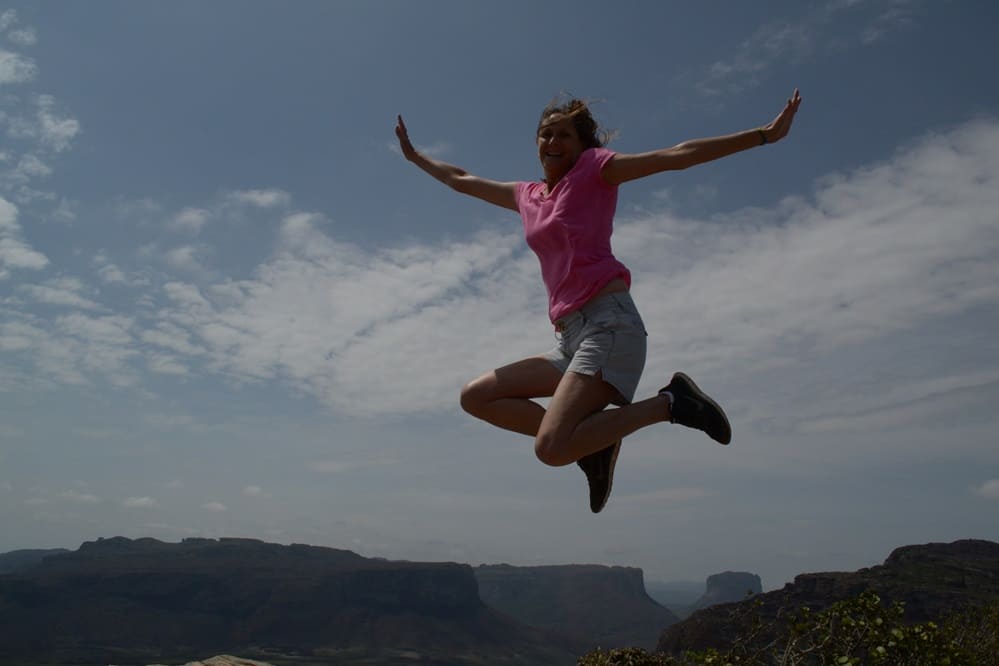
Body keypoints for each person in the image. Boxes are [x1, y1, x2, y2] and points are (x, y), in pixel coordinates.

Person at [395, 89, 802, 513]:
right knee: (476, 397)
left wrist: (764, 135)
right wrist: (416, 157)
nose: (552, 143)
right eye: (545, 135)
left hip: (609, 325)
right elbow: (461, 179)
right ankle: (592, 445)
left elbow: (677, 155)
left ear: (582, 143)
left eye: (563, 136)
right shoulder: (529, 197)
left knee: (551, 449)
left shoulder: (595, 171)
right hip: (569, 338)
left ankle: (672, 404)